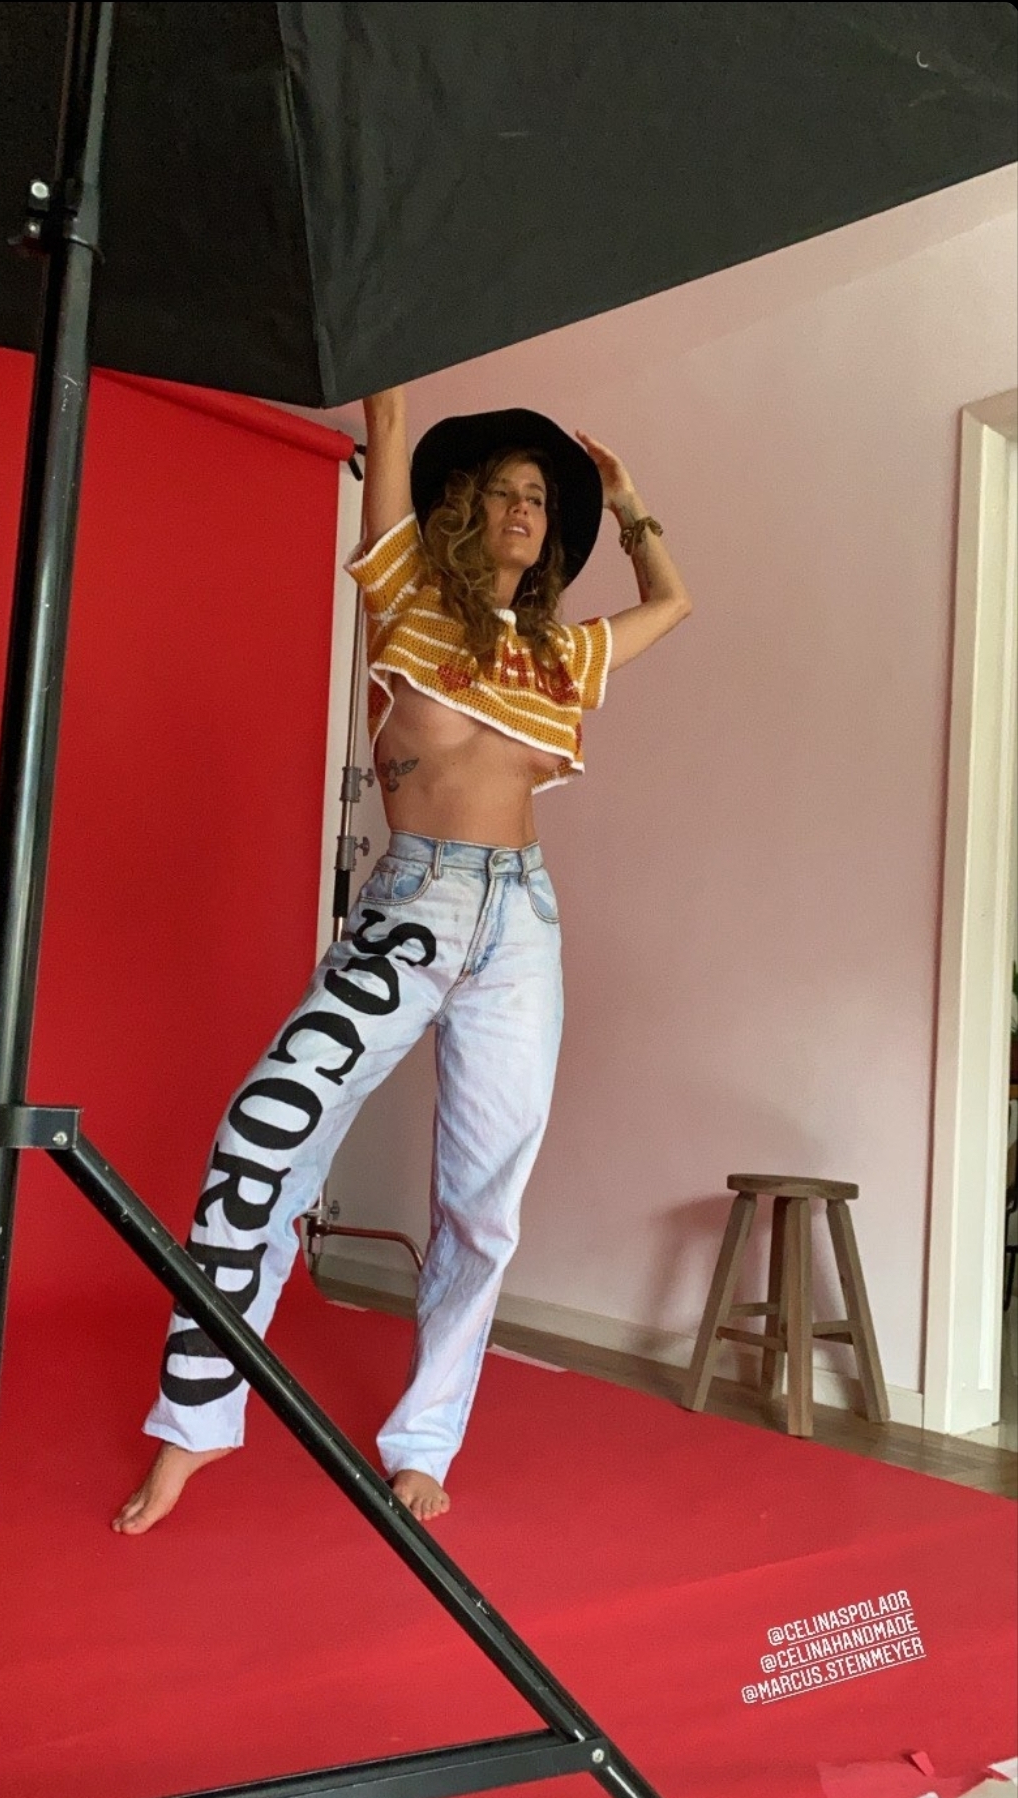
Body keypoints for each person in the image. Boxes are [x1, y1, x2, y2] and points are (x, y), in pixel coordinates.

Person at [113, 387, 691, 1533]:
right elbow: (386, 432)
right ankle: (194, 1424)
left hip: (520, 929)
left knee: (484, 1206)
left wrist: (627, 504)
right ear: (467, 510)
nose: (523, 509)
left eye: (541, 499)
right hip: (409, 913)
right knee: (262, 1133)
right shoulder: (409, 600)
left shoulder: (562, 655)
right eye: (506, 492)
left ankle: (425, 1442)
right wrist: (390, 385)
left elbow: (672, 602)